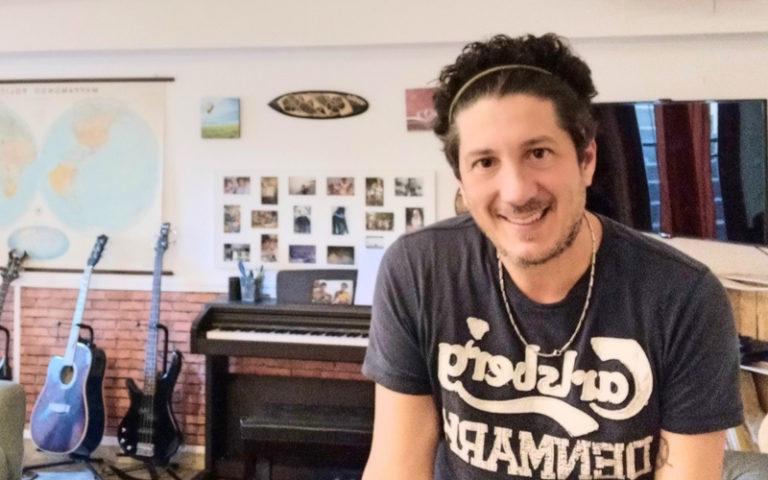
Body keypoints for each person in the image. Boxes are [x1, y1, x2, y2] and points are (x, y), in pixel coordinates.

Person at [361, 33, 743, 480]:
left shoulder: (683, 298)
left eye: (538, 153)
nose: (517, 191)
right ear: (461, 179)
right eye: (485, 162)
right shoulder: (419, 271)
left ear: (586, 159)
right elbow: (396, 467)